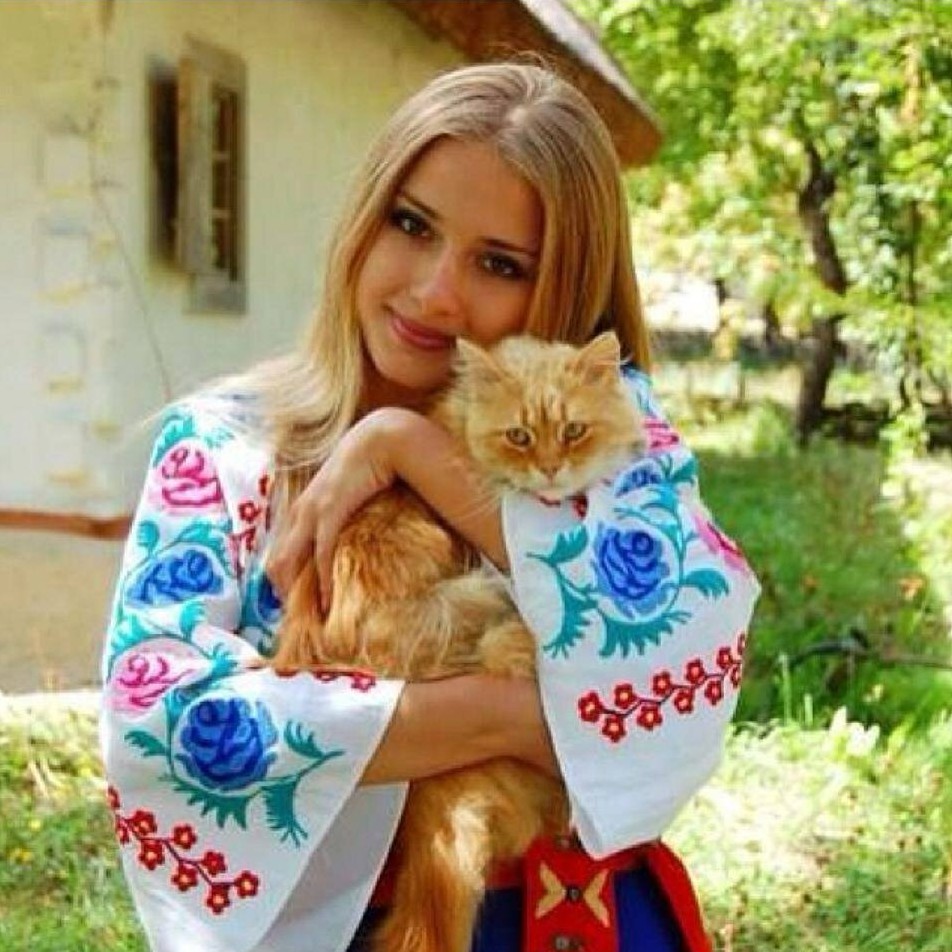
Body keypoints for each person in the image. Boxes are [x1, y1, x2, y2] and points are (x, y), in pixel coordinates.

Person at [100, 62, 760, 952]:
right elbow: (157, 723)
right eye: (412, 224)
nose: (436, 290)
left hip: (568, 919)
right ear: (364, 218)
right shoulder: (228, 446)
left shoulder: (613, 437)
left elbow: (681, 665)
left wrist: (402, 445)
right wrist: (512, 716)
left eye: (500, 264)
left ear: (562, 288)